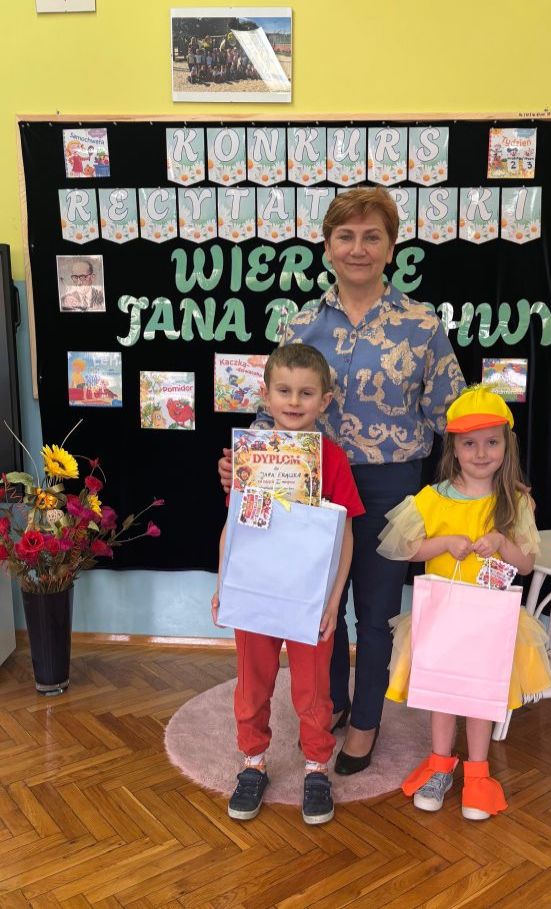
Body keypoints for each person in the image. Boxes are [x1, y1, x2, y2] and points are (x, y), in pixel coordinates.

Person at [218, 187, 465, 774]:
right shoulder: (302, 322)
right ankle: (328, 704)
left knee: (374, 612)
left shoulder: (421, 325)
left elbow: (453, 416)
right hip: (307, 484)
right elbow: (274, 404)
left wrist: (499, 478)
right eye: (346, 236)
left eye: (372, 236)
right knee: (315, 607)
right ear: (327, 246)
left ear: (391, 247)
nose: (359, 248)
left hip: (389, 487)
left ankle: (365, 721)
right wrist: (245, 462)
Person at [377, 385, 551, 820]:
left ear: (506, 445)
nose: (481, 453)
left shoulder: (515, 502)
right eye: (469, 444)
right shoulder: (433, 498)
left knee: (481, 697)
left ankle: (477, 773)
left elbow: (527, 564)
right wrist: (443, 543)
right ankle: (440, 766)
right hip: (443, 619)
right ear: (454, 448)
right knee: (443, 695)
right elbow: (404, 549)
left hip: (489, 624)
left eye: (491, 442)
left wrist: (502, 544)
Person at [212, 344, 365, 825]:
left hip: (309, 597)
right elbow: (235, 524)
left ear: (325, 400)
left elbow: (345, 533)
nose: (294, 402)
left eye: (306, 393)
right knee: (252, 682)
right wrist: (224, 584)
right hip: (255, 589)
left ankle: (317, 768)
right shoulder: (251, 455)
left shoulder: (332, 459)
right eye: (284, 391)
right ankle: (252, 762)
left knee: (313, 689)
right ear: (266, 395)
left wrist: (334, 600)